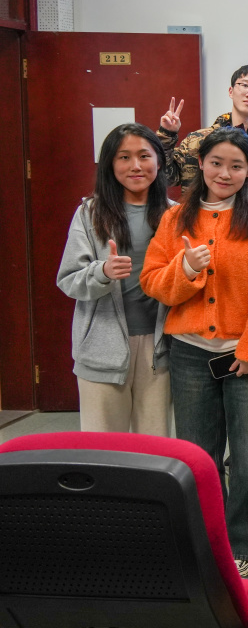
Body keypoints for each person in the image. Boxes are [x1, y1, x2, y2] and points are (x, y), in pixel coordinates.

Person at [140, 127, 248, 577]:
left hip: (246, 354)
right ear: (200, 164)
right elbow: (152, 281)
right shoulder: (176, 219)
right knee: (198, 454)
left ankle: (246, 543)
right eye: (216, 163)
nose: (225, 173)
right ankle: (205, 540)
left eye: (236, 166)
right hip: (190, 354)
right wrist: (185, 268)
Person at [56, 123, 172, 436]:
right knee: (104, 450)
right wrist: (103, 272)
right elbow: (68, 279)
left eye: (144, 156)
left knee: (155, 447)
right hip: (102, 348)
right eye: (124, 157)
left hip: (160, 351)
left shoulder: (174, 215)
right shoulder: (89, 213)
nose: (136, 166)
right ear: (110, 163)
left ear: (159, 161)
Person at [158, 65, 248, 187]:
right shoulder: (196, 140)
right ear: (231, 91)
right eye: (245, 85)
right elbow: (166, 178)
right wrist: (166, 135)